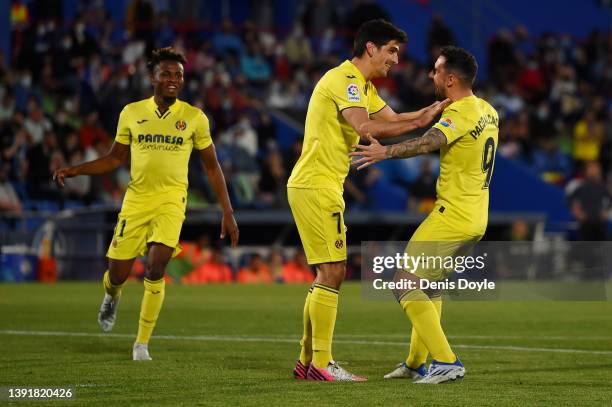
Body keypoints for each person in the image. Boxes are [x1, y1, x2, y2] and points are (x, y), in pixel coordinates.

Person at [287, 19, 450, 382]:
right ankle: (321, 363)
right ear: (371, 48)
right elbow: (367, 127)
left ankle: (306, 359)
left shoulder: (361, 85)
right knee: (333, 271)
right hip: (315, 184)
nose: (395, 59)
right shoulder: (344, 80)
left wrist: (428, 113)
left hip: (320, 184)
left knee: (326, 272)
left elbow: (392, 118)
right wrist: (418, 123)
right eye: (391, 50)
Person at [53, 47, 239, 361]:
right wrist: (76, 170)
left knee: (156, 267)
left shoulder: (194, 118)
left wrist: (227, 210)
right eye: (166, 73)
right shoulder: (131, 112)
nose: (173, 80)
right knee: (118, 274)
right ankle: (111, 295)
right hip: (136, 201)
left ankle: (141, 343)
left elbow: (211, 166)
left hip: (171, 201)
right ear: (152, 77)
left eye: (178, 75)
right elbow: (115, 158)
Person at [351, 45, 498, 384]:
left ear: (449, 79)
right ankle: (417, 362)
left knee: (403, 282)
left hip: (453, 214)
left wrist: (384, 151)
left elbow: (428, 142)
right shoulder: (490, 111)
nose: (430, 75)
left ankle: (447, 361)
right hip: (476, 216)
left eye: (435, 71)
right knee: (429, 286)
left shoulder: (460, 113)